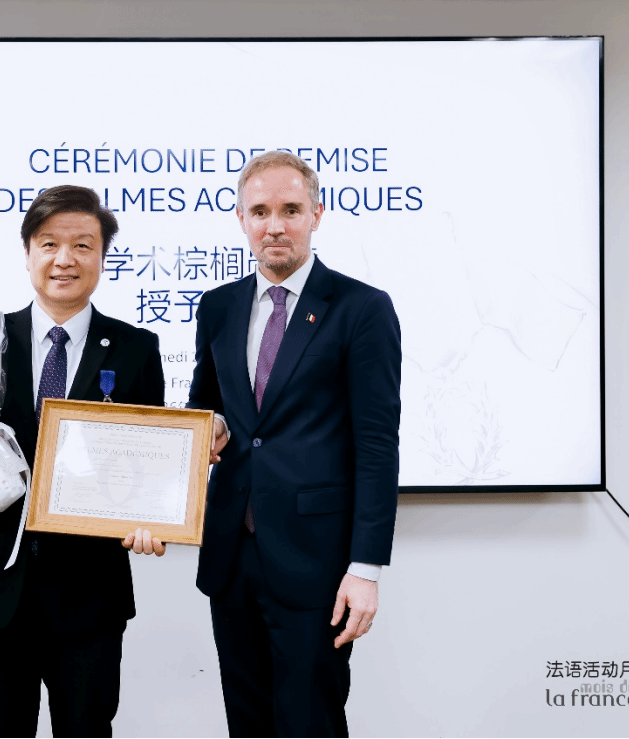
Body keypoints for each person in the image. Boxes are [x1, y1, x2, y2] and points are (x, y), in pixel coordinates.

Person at [0, 185, 167, 738]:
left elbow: (149, 466)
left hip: (89, 596)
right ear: (27, 253)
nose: (64, 259)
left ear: (102, 256)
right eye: (49, 244)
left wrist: (151, 518)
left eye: (82, 245)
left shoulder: (136, 349)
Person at [187, 151, 402, 738]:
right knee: (247, 723)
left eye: (290, 209)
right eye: (260, 211)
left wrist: (366, 568)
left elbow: (377, 445)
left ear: (316, 214)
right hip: (232, 556)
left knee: (311, 723)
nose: (274, 225)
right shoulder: (218, 306)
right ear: (241, 219)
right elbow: (206, 408)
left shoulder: (362, 308)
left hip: (318, 563)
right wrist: (212, 427)